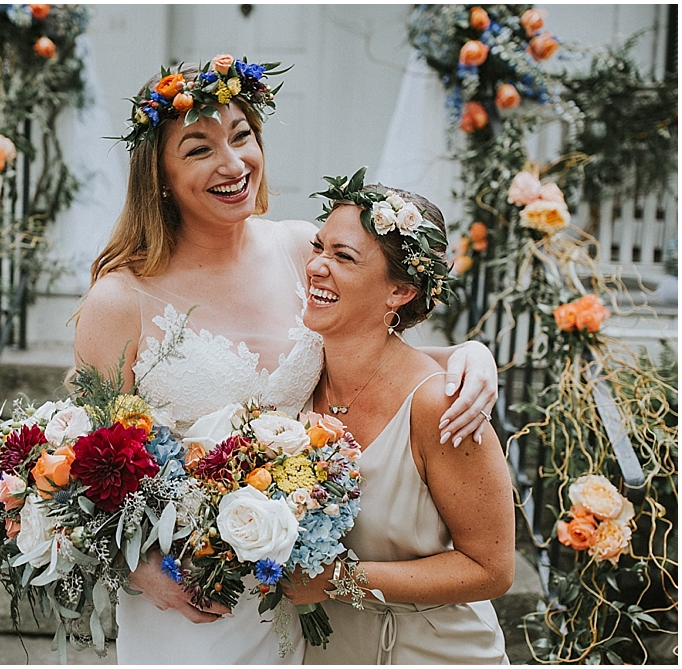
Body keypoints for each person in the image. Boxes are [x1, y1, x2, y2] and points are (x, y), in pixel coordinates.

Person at [74, 57, 500, 665]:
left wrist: (468, 354)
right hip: (193, 598)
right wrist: (143, 572)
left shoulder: (302, 247)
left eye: (242, 136)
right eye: (199, 149)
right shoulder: (121, 299)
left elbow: (369, 351)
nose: (233, 163)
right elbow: (89, 466)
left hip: (303, 597)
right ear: (160, 176)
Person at [283, 174, 514, 664]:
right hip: (328, 651)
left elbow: (492, 568)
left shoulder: (440, 405)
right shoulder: (297, 379)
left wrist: (338, 581)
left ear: (400, 292)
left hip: (431, 651)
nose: (316, 266)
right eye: (318, 246)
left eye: (343, 257)